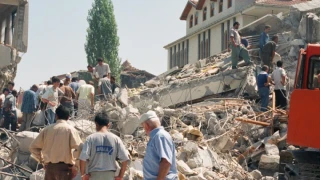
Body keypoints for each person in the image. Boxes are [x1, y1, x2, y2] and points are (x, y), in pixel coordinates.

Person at [29, 105, 82, 180]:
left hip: (50, 168)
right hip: (65, 169)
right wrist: (76, 166)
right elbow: (79, 148)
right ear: (68, 117)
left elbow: (33, 147)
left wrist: (42, 160)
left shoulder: (47, 129)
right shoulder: (71, 130)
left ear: (56, 116)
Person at [79, 113, 129, 180]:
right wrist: (120, 176)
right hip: (110, 176)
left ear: (96, 124)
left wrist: (83, 175)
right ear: (108, 125)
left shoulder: (90, 138)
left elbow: (82, 158)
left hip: (94, 176)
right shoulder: (116, 139)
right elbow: (125, 159)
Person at [140, 111, 178, 179]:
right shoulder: (156, 137)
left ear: (146, 126)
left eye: (143, 127)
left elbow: (166, 162)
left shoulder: (160, 136)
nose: (144, 130)